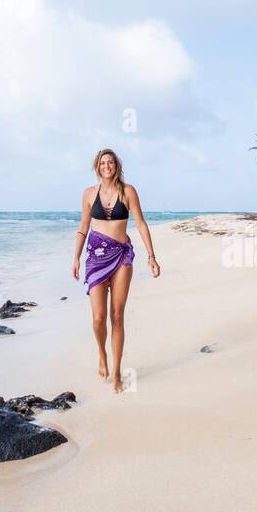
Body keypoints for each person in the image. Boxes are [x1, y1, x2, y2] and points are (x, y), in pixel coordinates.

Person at [72, 148, 161, 392]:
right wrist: (76, 257)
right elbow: (83, 227)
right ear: (97, 167)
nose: (107, 166)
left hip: (121, 255)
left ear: (116, 166)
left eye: (111, 162)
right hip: (95, 257)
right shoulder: (89, 194)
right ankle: (102, 354)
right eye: (103, 163)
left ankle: (117, 372)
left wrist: (152, 256)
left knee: (117, 316)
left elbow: (140, 223)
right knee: (98, 317)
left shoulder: (128, 191)